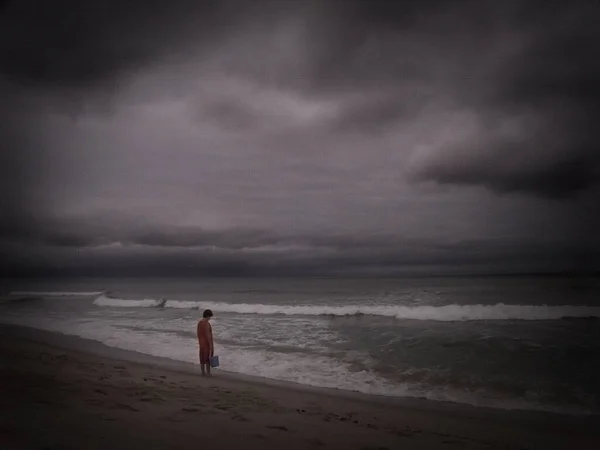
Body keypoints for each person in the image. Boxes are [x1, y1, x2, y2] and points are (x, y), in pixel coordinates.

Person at [196, 309, 214, 376]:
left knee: (202, 359)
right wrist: (211, 346)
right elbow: (208, 335)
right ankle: (208, 373)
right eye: (209, 317)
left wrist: (200, 341)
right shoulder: (206, 324)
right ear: (207, 316)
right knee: (208, 359)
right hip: (206, 343)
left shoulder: (199, 322)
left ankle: (203, 372)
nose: (209, 319)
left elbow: (198, 333)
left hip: (201, 343)